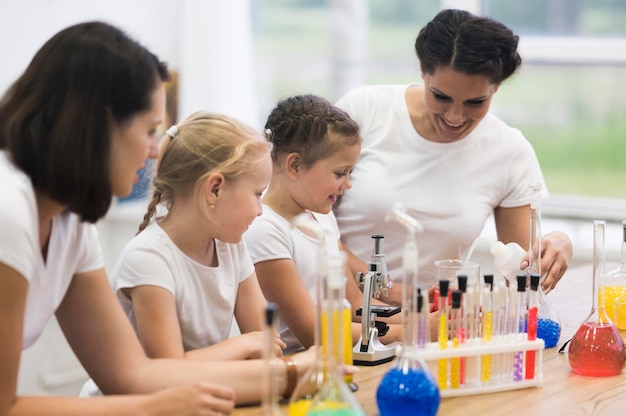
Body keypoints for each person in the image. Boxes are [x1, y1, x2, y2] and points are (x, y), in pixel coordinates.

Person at [0, 21, 312, 415]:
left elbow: (131, 373)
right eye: (149, 130)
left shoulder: (71, 222)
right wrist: (150, 408)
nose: (153, 152)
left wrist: (295, 372)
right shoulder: (9, 211)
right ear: (98, 125)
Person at [333, 9, 573, 301]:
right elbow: (308, 226)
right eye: (441, 97)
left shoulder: (510, 152)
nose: (455, 117)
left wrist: (559, 242)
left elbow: (522, 272)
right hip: (337, 310)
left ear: (496, 87)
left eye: (476, 102)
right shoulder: (364, 111)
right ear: (423, 70)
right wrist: (401, 295)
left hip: (433, 325)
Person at [244, 94, 402, 354]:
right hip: (301, 369)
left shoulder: (322, 217)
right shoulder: (265, 230)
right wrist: (406, 332)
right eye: (340, 173)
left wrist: (421, 319)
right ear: (294, 165)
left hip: (344, 357)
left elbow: (353, 304)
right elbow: (314, 332)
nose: (348, 184)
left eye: (350, 173)